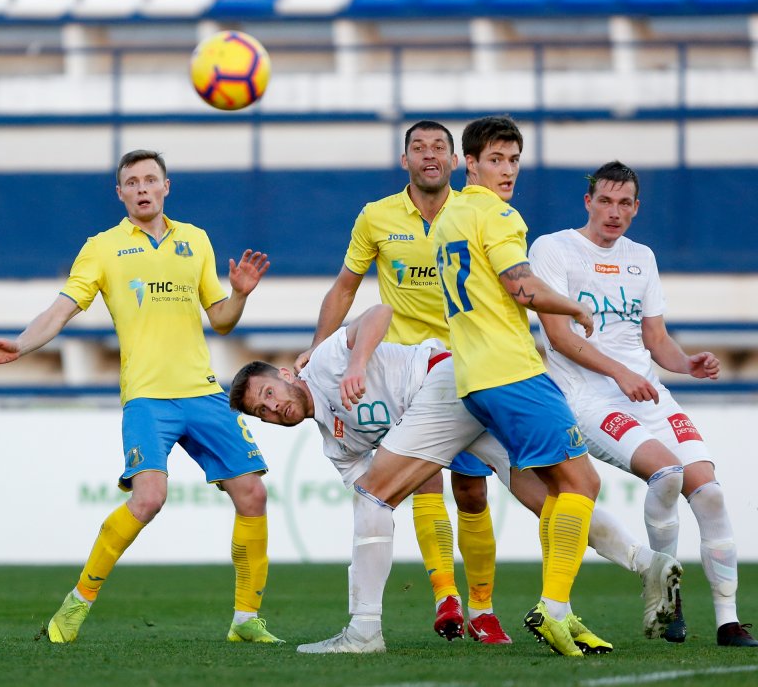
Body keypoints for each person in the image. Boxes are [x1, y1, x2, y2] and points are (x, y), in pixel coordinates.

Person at [231, 305, 679, 654]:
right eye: (261, 412)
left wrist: (356, 363)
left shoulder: (325, 362)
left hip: (445, 381)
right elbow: (380, 501)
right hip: (461, 402)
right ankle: (649, 564)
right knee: (547, 500)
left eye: (269, 393)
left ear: (286, 373)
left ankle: (364, 628)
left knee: (372, 498)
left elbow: (380, 313)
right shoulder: (336, 444)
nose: (272, 408)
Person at [0, 149, 284, 646]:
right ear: (119, 193)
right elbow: (61, 310)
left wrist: (241, 294)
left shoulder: (196, 240)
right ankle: (76, 605)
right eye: (132, 182)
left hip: (204, 393)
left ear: (167, 187)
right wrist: (21, 343)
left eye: (150, 179)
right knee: (149, 498)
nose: (142, 188)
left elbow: (221, 319)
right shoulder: (102, 248)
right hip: (147, 398)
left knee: (252, 493)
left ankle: (246, 620)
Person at [528, 160, 758, 648]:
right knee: (668, 473)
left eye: (624, 203)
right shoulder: (553, 249)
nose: (614, 212)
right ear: (587, 202)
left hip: (646, 391)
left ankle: (728, 620)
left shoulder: (642, 257)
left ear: (637, 207)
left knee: (710, 493)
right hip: (586, 395)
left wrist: (686, 363)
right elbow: (557, 336)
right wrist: (620, 373)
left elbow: (655, 338)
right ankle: (666, 604)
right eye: (605, 201)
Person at [294, 120, 504, 643]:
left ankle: (483, 608)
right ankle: (446, 598)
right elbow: (346, 289)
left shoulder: (477, 212)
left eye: (439, 148)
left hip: (470, 363)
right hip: (406, 378)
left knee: (473, 491)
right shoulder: (377, 217)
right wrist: (318, 351)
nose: (429, 155)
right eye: (418, 147)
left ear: (455, 161)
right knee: (422, 481)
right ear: (404, 159)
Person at [432, 115, 603, 657]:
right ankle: (552, 608)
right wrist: (573, 303)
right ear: (470, 163)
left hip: (473, 376)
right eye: (496, 160)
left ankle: (562, 609)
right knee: (583, 484)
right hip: (512, 373)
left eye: (513, 160)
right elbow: (519, 285)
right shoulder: (499, 215)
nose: (507, 171)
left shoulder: (447, 216)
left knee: (557, 488)